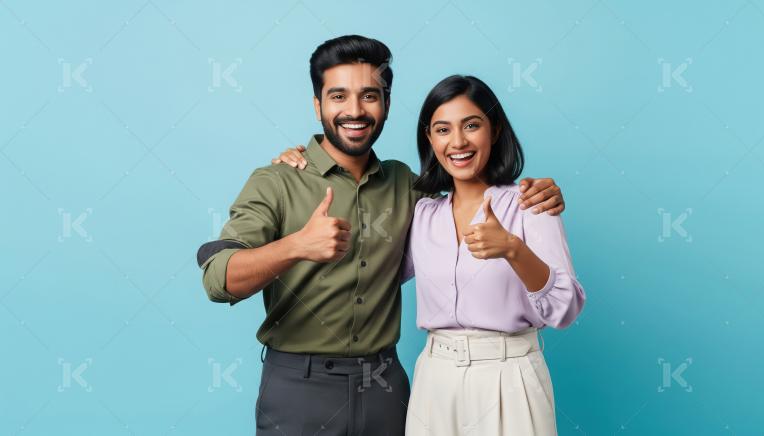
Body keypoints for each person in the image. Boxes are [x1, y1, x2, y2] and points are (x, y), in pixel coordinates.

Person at [197, 35, 566, 436]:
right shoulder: (276, 182)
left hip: (387, 391)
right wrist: (297, 245)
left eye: (369, 96)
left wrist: (535, 192)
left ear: (387, 104)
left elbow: (466, 197)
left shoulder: (409, 188)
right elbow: (219, 279)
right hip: (299, 391)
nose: (354, 111)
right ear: (317, 105)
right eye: (338, 96)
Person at [403, 75, 586, 435]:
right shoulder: (422, 214)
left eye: (472, 125)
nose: (458, 141)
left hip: (510, 378)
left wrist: (512, 249)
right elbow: (373, 271)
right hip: (434, 382)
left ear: (495, 129)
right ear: (430, 138)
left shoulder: (530, 203)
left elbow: (566, 310)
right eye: (442, 129)